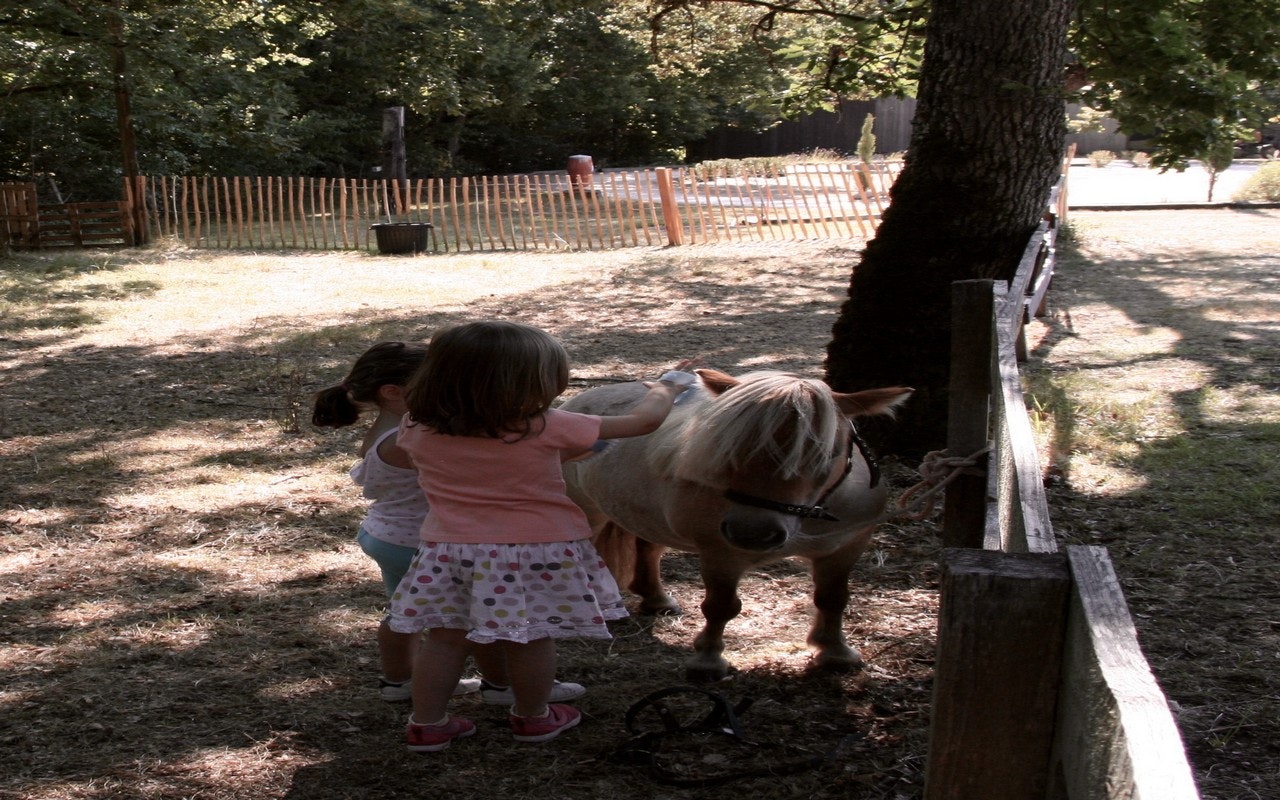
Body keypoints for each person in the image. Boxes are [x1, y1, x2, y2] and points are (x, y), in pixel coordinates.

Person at [387, 321, 696, 752]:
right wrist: (667, 386)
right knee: (530, 636)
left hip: (448, 550)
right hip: (535, 552)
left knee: (443, 637)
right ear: (529, 382)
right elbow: (643, 422)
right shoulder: (547, 426)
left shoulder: (415, 426)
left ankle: (427, 724)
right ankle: (533, 717)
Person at [312, 341, 587, 706]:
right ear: (394, 392)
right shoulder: (413, 435)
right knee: (478, 621)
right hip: (425, 543)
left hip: (387, 535)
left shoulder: (389, 427)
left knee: (402, 615)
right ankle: (503, 686)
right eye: (439, 382)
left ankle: (399, 682)